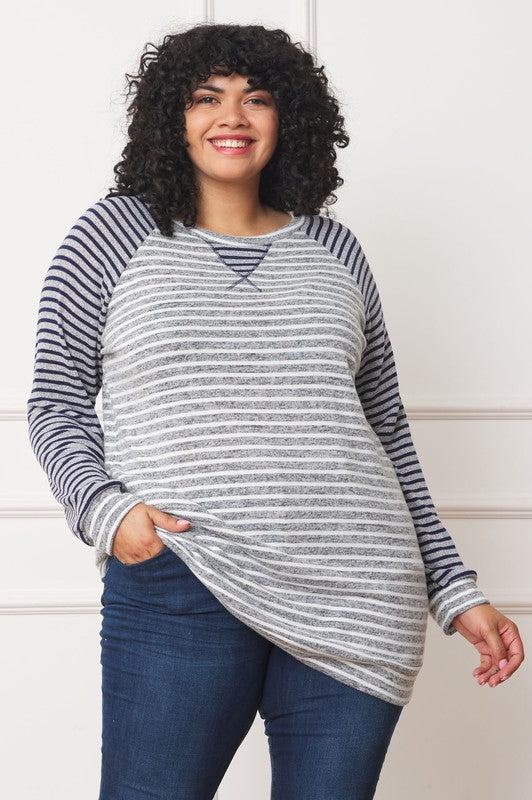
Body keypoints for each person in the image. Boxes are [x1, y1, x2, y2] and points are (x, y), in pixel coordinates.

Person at [27, 22, 524, 800]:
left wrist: (453, 589)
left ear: (288, 119)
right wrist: (107, 511)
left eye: (256, 98)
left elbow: (386, 431)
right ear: (173, 117)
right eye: (207, 98)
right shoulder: (113, 234)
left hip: (360, 592)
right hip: (185, 574)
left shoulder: (337, 250)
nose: (233, 116)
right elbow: (55, 401)